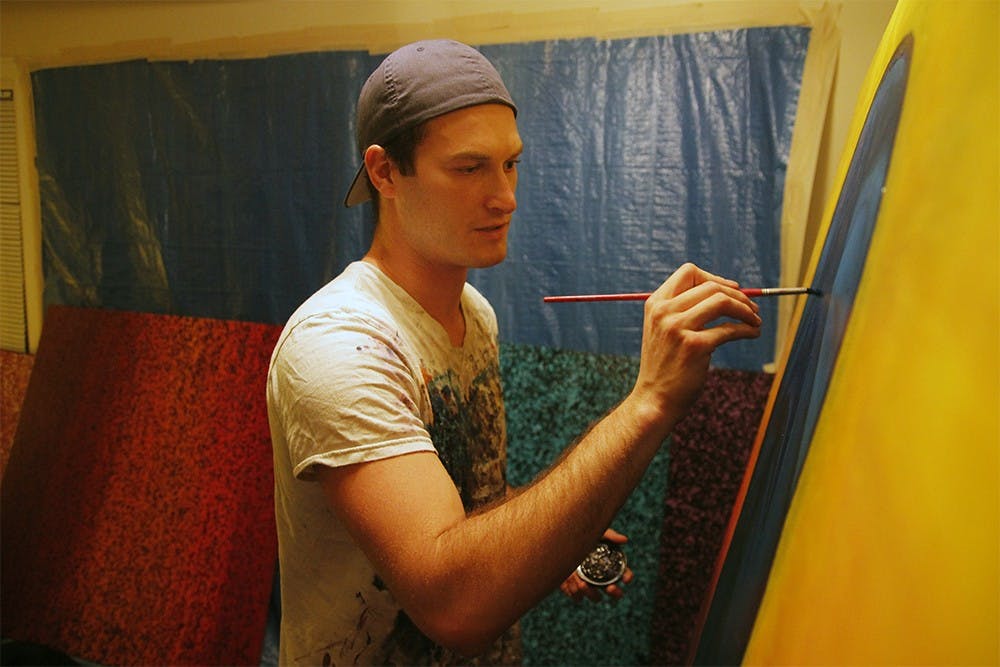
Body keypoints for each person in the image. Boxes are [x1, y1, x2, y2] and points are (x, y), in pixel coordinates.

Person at [266, 39, 761, 666]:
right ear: (385, 172)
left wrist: (550, 543)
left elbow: (472, 498)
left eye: (510, 164)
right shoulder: (340, 346)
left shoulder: (475, 313)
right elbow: (455, 606)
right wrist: (650, 401)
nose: (506, 197)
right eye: (469, 168)